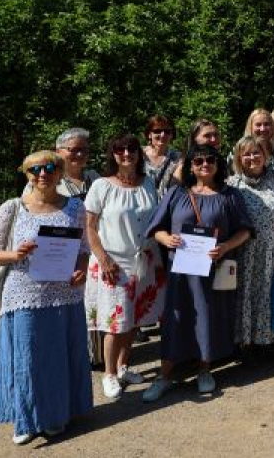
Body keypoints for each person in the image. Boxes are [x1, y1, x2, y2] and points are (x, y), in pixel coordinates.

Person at [0, 151, 92, 445]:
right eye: (35, 169)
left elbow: (83, 249)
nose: (43, 173)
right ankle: (26, 420)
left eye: (50, 168)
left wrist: (81, 270)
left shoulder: (75, 207)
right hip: (24, 294)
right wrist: (15, 254)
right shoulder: (12, 208)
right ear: (27, 174)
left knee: (59, 357)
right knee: (27, 359)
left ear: (60, 172)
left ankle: (56, 416)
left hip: (64, 295)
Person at [142, 144, 254, 401]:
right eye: (199, 160)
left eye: (210, 160)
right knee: (176, 319)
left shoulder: (230, 195)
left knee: (207, 317)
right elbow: (155, 228)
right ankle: (165, 376)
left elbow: (245, 230)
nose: (205, 164)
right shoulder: (176, 193)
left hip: (211, 270)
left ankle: (205, 370)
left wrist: (226, 246)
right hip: (179, 271)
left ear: (218, 164)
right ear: (191, 166)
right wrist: (166, 239)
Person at [85, 134, 166, 400]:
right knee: (114, 322)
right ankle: (108, 374)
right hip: (113, 263)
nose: (127, 154)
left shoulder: (148, 184)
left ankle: (122, 367)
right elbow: (90, 227)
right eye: (120, 149)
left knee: (135, 319)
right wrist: (103, 258)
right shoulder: (101, 185)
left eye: (132, 149)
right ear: (113, 154)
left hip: (144, 260)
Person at [227, 135, 274, 351]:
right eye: (246, 153)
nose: (252, 157)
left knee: (268, 294)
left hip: (271, 252)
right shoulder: (231, 184)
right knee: (242, 295)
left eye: (257, 152)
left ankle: (267, 340)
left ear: (265, 156)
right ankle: (243, 341)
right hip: (241, 252)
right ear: (238, 158)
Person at [142, 115, 182, 191]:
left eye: (167, 132)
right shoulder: (138, 154)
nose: (162, 135)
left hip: (168, 202)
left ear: (171, 135)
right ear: (149, 134)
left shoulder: (178, 158)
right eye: (157, 131)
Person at [52, 128, 93, 198]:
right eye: (74, 150)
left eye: (84, 150)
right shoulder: (46, 179)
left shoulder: (94, 177)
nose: (80, 154)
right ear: (58, 152)